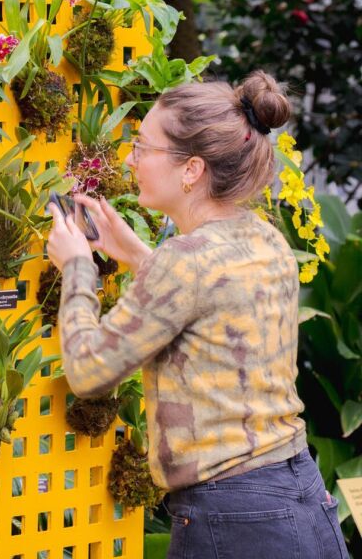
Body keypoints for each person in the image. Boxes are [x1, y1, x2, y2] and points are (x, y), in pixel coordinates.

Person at [47, 71, 348, 558]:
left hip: (235, 521)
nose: (130, 158)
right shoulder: (263, 236)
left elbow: (88, 371)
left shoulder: (184, 261)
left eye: (143, 147)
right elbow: (212, 302)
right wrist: (138, 255)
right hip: (301, 499)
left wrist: (78, 266)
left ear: (191, 170)